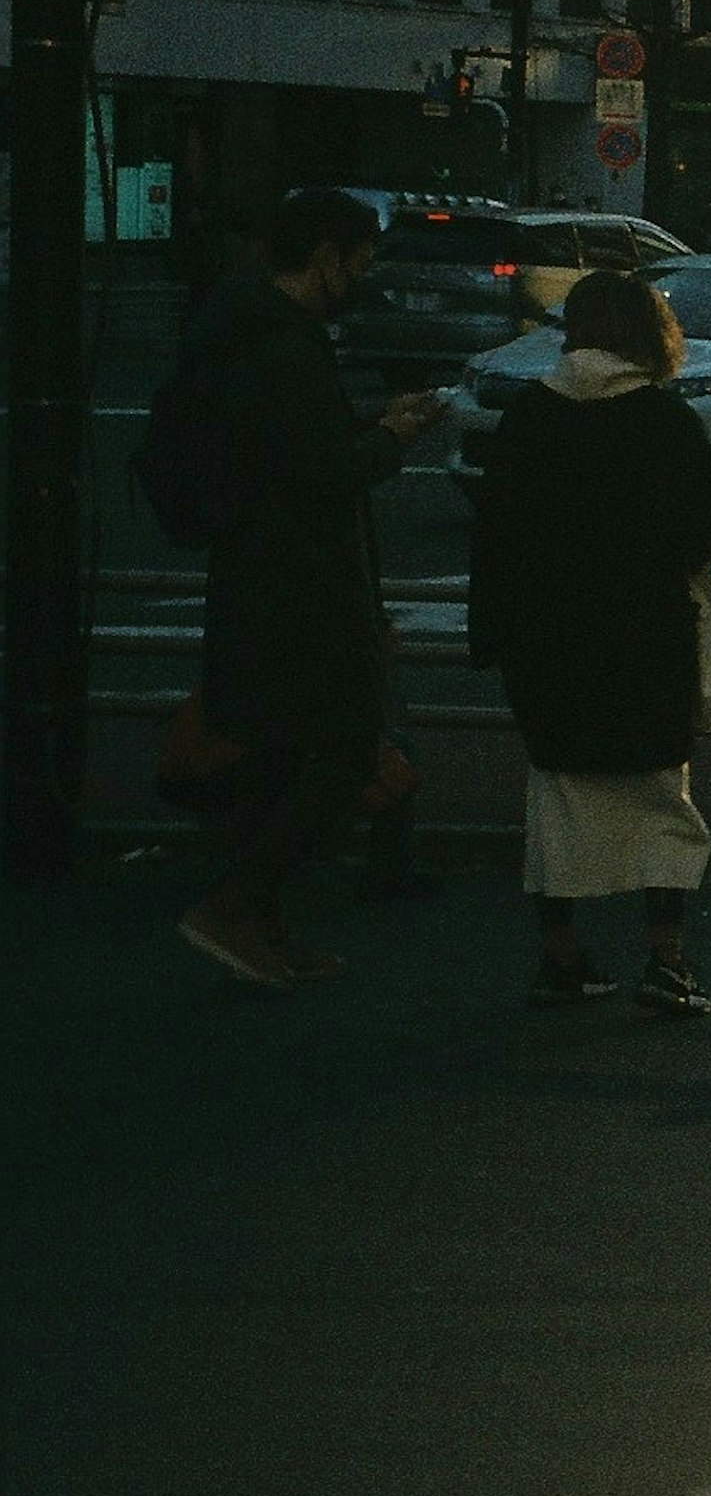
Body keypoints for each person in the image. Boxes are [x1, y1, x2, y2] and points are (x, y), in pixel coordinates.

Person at [174, 188, 449, 988]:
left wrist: (369, 421)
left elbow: (289, 448)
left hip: (258, 575)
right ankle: (238, 903)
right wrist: (393, 435)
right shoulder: (286, 345)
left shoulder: (246, 330)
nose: (362, 277)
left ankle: (259, 923)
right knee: (345, 744)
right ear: (326, 255)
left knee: (284, 748)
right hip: (301, 585)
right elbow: (322, 472)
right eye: (358, 261)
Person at [468, 271, 711, 1013]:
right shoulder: (666, 423)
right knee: (660, 801)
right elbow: (700, 535)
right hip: (644, 643)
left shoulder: (529, 418)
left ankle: (560, 955)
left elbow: (495, 538)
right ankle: (666, 959)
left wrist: (495, 637)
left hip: (546, 648)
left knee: (559, 803)